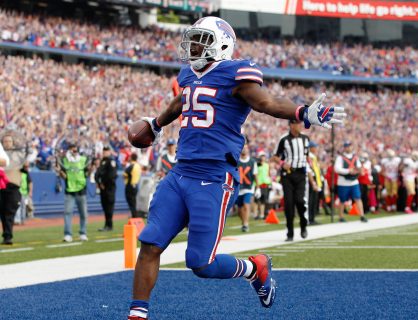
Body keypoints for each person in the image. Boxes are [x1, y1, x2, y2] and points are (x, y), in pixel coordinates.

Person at [127, 16, 345, 319]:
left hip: (214, 177)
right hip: (179, 174)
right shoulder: (188, 74)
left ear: (222, 45)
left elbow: (266, 102)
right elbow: (182, 99)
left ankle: (255, 268)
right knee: (150, 244)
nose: (192, 45)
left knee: (201, 264)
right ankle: (137, 314)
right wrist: (157, 123)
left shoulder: (234, 72)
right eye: (193, 39)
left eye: (201, 40)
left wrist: (302, 111)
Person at [273, 120, 310, 241]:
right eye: (298, 123)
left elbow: (307, 156)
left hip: (300, 174)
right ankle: (290, 233)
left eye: (301, 123)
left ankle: (303, 225)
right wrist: (283, 163)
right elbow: (275, 156)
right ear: (291, 125)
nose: (300, 126)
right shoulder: (284, 139)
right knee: (289, 204)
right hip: (287, 174)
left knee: (300, 201)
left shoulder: (306, 139)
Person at [58, 143, 90, 242]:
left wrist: (91, 170)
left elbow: (87, 173)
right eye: (71, 150)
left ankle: (83, 233)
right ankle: (68, 234)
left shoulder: (83, 160)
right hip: (69, 190)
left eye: (75, 150)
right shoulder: (64, 161)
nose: (73, 152)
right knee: (67, 213)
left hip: (81, 190)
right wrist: (60, 172)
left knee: (83, 214)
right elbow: (64, 176)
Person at [0, 135, 26, 245]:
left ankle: (8, 236)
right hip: (1, 185)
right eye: (5, 141)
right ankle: (7, 235)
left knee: (9, 212)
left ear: (12, 143)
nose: (7, 143)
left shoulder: (18, 155)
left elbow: (24, 170)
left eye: (9, 141)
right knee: (2, 212)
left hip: (13, 186)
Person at [334, 141, 368, 223]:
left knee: (358, 198)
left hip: (354, 181)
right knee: (342, 200)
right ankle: (341, 217)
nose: (348, 148)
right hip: (343, 182)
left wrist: (359, 170)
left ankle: (362, 215)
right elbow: (337, 169)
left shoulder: (355, 157)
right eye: (346, 146)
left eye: (349, 146)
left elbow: (359, 166)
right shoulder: (340, 158)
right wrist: (348, 171)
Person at [236, 143, 258, 232]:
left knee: (246, 204)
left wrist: (258, 187)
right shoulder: (236, 161)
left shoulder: (252, 162)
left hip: (248, 187)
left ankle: (246, 224)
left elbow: (255, 175)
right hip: (238, 188)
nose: (244, 150)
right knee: (239, 209)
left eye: (245, 148)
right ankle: (243, 222)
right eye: (242, 148)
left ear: (248, 150)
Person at [95, 146, 118, 231]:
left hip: (109, 188)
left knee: (109, 207)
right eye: (104, 151)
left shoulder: (111, 161)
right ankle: (106, 225)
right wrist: (99, 183)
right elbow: (97, 174)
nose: (105, 153)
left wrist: (103, 183)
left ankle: (109, 225)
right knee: (104, 207)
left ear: (109, 152)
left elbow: (112, 176)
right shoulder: (102, 162)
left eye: (106, 151)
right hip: (102, 188)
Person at [308, 141, 322, 225]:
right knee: (311, 200)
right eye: (315, 147)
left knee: (314, 200)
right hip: (311, 180)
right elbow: (310, 170)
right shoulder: (309, 157)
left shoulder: (313, 157)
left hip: (315, 180)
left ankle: (312, 218)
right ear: (311, 148)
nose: (316, 148)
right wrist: (313, 182)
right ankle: (310, 219)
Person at [14, 160, 33, 225]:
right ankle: (17, 220)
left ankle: (23, 220)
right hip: (18, 192)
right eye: (25, 167)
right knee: (18, 206)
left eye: (27, 167)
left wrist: (30, 192)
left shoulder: (27, 174)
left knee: (24, 206)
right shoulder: (18, 172)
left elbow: (30, 183)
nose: (27, 168)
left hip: (25, 193)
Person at [254, 151, 271, 220]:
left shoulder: (267, 165)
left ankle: (261, 214)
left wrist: (270, 182)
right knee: (257, 200)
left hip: (265, 184)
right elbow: (255, 174)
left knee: (263, 200)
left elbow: (268, 174)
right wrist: (256, 184)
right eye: (262, 156)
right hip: (258, 184)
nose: (263, 157)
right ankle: (255, 214)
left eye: (264, 156)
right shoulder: (256, 165)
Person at [124, 153, 141, 218]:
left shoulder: (131, 166)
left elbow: (124, 174)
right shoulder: (138, 165)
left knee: (130, 202)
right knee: (133, 201)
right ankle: (134, 215)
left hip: (130, 185)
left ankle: (134, 216)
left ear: (131, 158)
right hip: (136, 185)